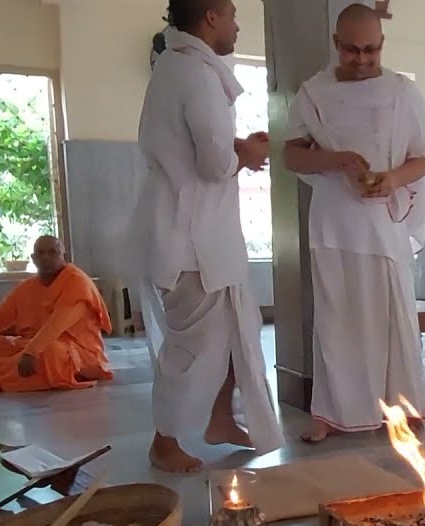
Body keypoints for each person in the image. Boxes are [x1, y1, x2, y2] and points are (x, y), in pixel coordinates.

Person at [284, 3, 425, 443]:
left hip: (383, 224)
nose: (362, 60)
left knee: (391, 318)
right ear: (336, 45)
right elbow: (291, 155)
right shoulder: (313, 93)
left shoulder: (402, 92)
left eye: (371, 51)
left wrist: (392, 178)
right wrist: (337, 160)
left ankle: (401, 406)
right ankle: (330, 413)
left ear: (382, 45)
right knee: (335, 321)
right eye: (352, 50)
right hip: (334, 224)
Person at [131, 0, 282, 473]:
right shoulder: (196, 75)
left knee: (237, 329)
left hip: (197, 234)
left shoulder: (176, 67)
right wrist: (248, 154)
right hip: (190, 242)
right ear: (211, 17)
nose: (237, 25)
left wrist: (239, 147)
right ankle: (165, 440)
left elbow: (192, 146)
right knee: (194, 348)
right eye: (233, 15)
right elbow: (214, 163)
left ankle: (219, 419)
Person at [0, 235, 114, 393]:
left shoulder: (78, 283)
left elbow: (57, 324)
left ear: (65, 258)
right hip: (30, 346)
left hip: (76, 351)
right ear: (33, 259)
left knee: (49, 353)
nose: (46, 257)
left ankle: (9, 377)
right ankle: (15, 377)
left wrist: (31, 352)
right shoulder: (27, 287)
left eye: (52, 252)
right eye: (40, 253)